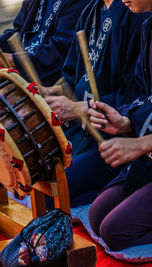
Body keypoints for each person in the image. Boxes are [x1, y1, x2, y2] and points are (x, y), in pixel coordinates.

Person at [43, 0, 149, 207]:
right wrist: (52, 91)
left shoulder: (138, 13)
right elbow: (72, 77)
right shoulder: (90, 11)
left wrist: (81, 108)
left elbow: (136, 92)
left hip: (112, 138)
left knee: (56, 189)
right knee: (39, 175)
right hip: (81, 130)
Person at [87, 0, 152, 250]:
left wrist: (142, 143)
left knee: (115, 232)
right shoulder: (148, 26)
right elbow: (143, 94)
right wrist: (123, 122)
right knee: (97, 217)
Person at [0, 0, 91, 86]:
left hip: (48, 86)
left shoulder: (79, 3)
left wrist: (3, 60)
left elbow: (58, 54)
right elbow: (18, 30)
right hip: (21, 78)